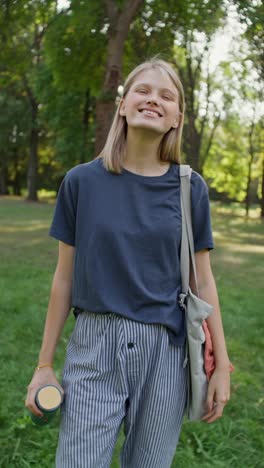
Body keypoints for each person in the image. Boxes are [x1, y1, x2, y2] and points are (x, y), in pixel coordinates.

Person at [25, 56, 231, 468]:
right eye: (143, 90)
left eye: (166, 96)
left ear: (176, 118)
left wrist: (222, 366)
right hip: (95, 346)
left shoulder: (191, 189)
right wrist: (44, 365)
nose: (153, 99)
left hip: (167, 353)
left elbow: (203, 282)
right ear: (123, 105)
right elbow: (63, 279)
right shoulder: (81, 182)